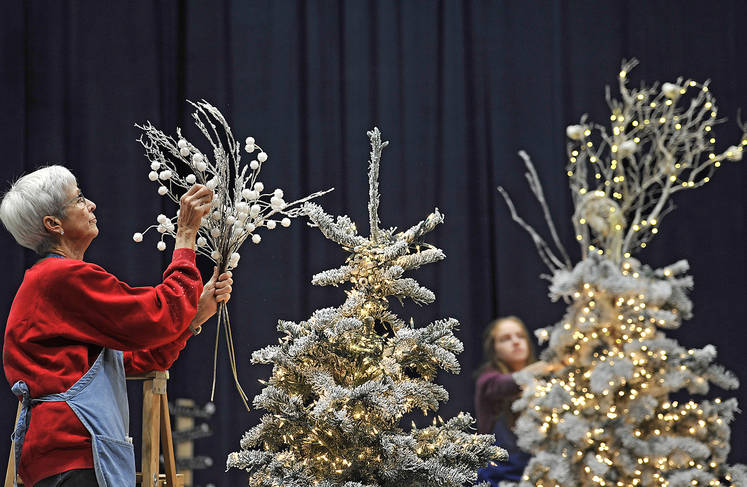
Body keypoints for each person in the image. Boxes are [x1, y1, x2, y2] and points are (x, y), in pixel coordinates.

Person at [1, 165, 233, 487]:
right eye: (79, 199)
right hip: (74, 455)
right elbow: (160, 315)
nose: (91, 205)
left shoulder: (51, 282)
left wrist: (192, 320)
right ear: (54, 225)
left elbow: (131, 361)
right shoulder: (61, 278)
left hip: (61, 456)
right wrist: (186, 235)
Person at [474, 316, 547, 485]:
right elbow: (506, 384)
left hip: (538, 469)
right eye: (505, 339)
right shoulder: (487, 380)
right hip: (499, 473)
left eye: (520, 336)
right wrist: (550, 364)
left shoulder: (543, 382)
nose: (515, 342)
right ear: (495, 349)